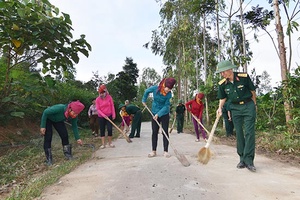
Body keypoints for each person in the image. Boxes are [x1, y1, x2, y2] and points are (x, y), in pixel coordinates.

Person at [216, 60, 257, 172]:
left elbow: (252, 91)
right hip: (235, 109)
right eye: (221, 73)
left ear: (230, 69)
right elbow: (223, 97)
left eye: (223, 72)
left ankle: (249, 161)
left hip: (248, 106)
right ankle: (242, 159)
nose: (222, 74)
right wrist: (220, 108)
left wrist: (254, 104)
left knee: (249, 132)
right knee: (238, 133)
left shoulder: (243, 77)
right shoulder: (222, 84)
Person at [40, 100, 85, 166]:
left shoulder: (74, 116)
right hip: (48, 118)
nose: (75, 115)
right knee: (48, 137)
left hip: (58, 121)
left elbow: (74, 126)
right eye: (74, 113)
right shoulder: (60, 108)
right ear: (70, 109)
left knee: (64, 135)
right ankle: (49, 159)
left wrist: (77, 138)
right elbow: (45, 112)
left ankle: (68, 155)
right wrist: (42, 126)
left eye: (77, 114)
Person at [142, 77, 176, 158]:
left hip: (164, 113)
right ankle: (154, 151)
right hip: (154, 111)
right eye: (167, 88)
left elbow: (166, 106)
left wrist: (159, 114)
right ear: (164, 85)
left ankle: (166, 151)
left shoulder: (169, 95)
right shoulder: (155, 89)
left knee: (165, 132)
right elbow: (146, 91)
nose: (168, 90)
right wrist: (144, 100)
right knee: (154, 131)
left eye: (170, 89)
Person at [96, 84, 116, 149]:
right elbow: (98, 109)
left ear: (105, 92)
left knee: (110, 129)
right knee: (102, 129)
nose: (101, 94)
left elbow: (112, 106)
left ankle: (110, 143)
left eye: (103, 92)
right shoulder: (97, 99)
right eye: (100, 93)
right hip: (101, 117)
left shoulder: (109, 97)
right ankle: (103, 144)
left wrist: (113, 114)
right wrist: (103, 115)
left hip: (109, 115)